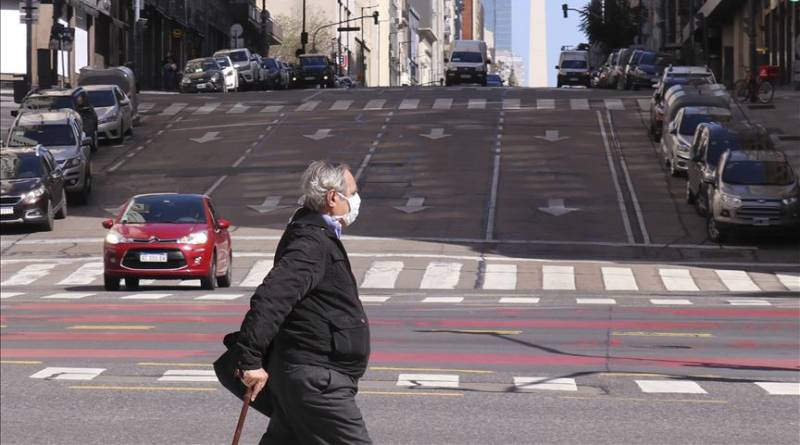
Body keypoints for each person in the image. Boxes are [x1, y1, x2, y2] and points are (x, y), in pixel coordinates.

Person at [235, 161, 372, 445]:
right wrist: (249, 359)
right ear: (334, 197)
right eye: (353, 192)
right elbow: (272, 297)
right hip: (317, 382)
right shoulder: (311, 243)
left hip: (304, 376)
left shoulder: (311, 233)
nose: (357, 200)